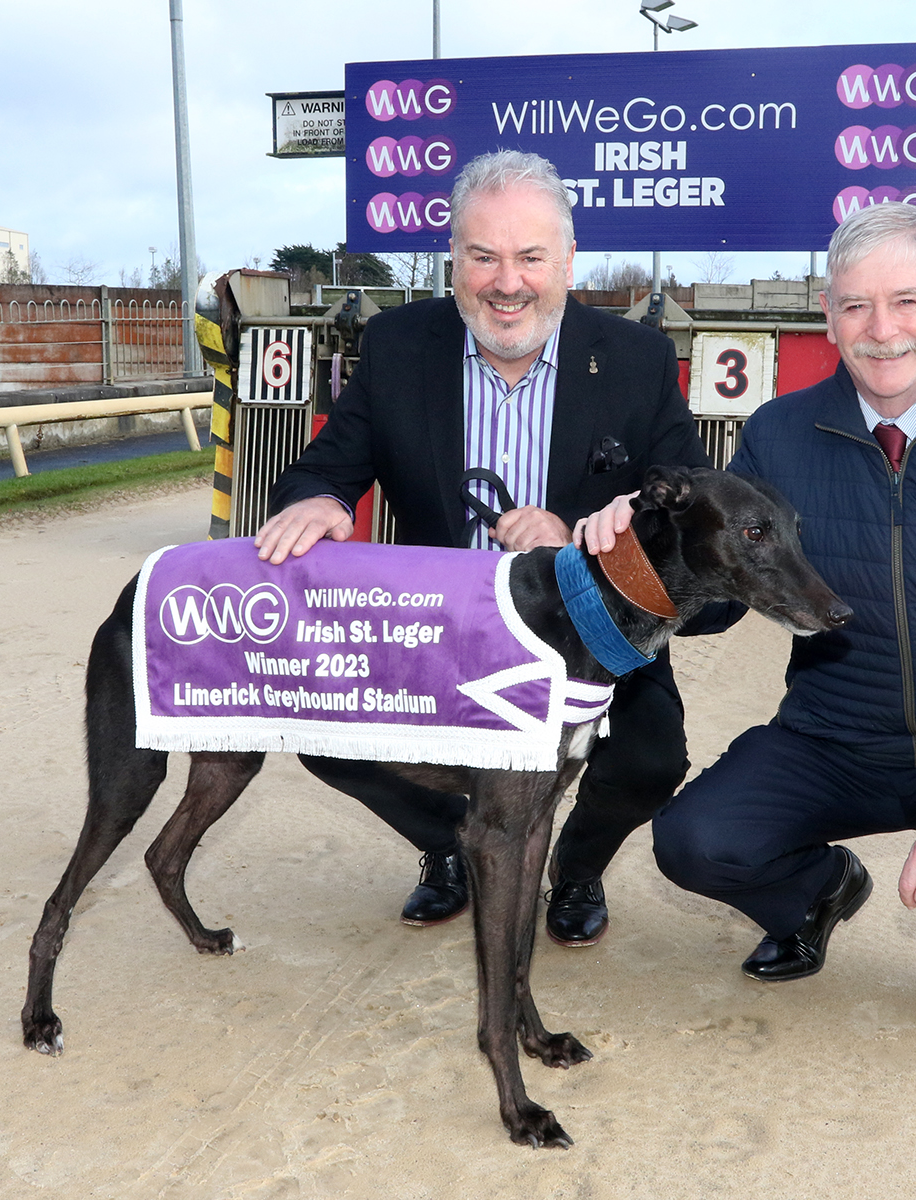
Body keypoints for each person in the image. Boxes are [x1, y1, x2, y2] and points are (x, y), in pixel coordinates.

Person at [579, 202, 916, 1048]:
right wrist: (638, 544)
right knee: (693, 840)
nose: (881, 329)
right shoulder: (780, 434)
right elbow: (713, 596)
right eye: (855, 305)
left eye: (905, 301)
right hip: (833, 734)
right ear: (828, 315)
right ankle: (818, 893)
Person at [255, 149, 711, 946]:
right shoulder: (398, 345)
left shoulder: (637, 361)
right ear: (453, 263)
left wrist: (582, 543)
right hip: (437, 631)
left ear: (568, 262)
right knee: (325, 733)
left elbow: (691, 514)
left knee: (649, 758)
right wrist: (320, 501)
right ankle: (455, 846)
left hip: (586, 633)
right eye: (483, 257)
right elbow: (324, 467)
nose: (508, 282)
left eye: (531, 257)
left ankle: (573, 867)